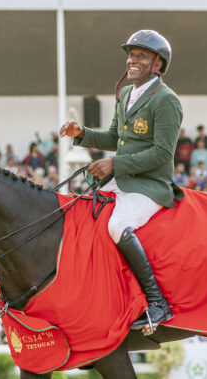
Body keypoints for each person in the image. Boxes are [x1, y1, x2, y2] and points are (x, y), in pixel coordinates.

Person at [60, 30, 182, 334]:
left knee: (116, 226)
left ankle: (157, 302)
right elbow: (116, 138)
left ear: (157, 64)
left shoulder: (166, 100)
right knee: (84, 213)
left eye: (141, 55)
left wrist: (115, 164)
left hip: (151, 185)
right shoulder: (127, 95)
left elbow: (162, 153)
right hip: (123, 179)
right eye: (131, 54)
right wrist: (83, 133)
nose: (132, 60)